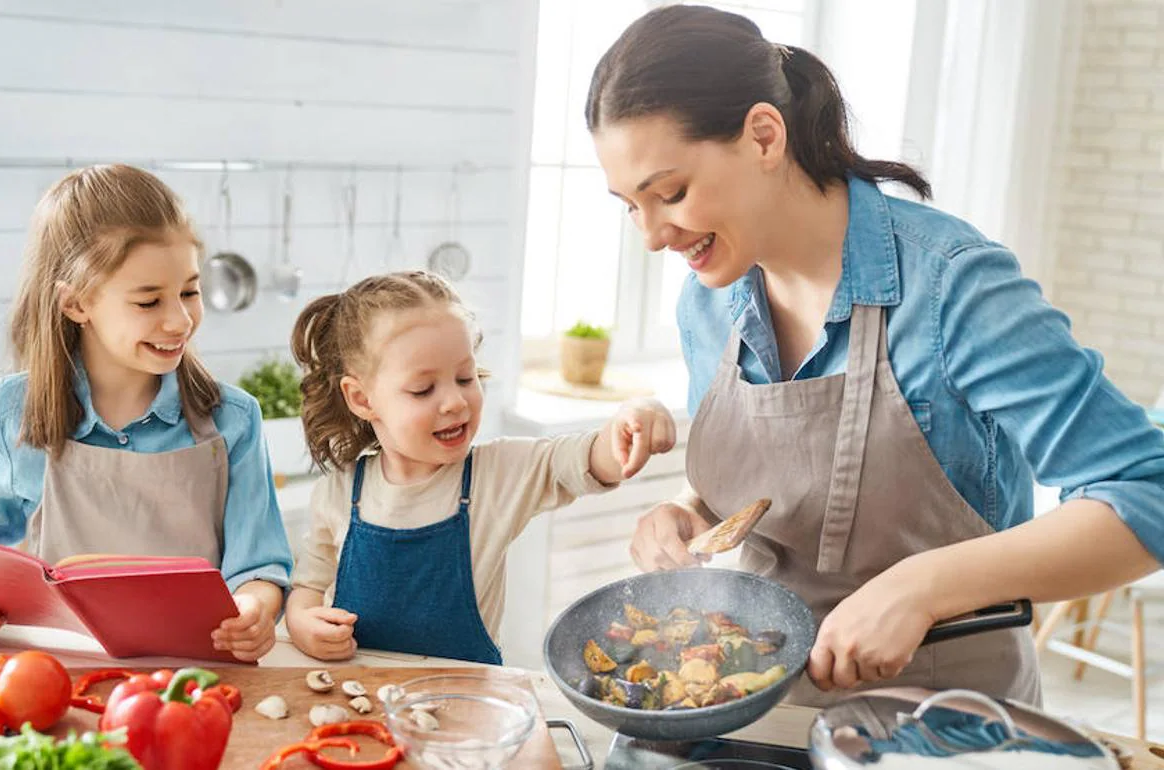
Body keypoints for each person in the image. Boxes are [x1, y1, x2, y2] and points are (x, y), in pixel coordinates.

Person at [586, 5, 1163, 706]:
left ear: (764, 135)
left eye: (669, 193)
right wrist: (691, 514)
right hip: (761, 707)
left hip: (945, 723)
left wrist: (923, 587)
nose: (651, 236)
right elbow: (781, 485)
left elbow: (1144, 491)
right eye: (628, 206)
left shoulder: (952, 285)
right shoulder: (708, 304)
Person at [0, 164, 293, 661]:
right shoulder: (6, 415)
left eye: (190, 291)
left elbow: (259, 567)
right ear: (76, 303)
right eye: (148, 301)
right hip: (59, 675)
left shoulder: (233, 419)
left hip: (199, 675)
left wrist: (254, 609)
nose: (180, 320)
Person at [284, 270, 676, 664]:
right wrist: (302, 623)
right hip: (360, 699)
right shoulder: (338, 493)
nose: (455, 401)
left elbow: (586, 458)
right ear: (362, 398)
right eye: (424, 389)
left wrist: (632, 418)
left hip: (467, 705)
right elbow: (307, 586)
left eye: (465, 377)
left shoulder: (499, 474)